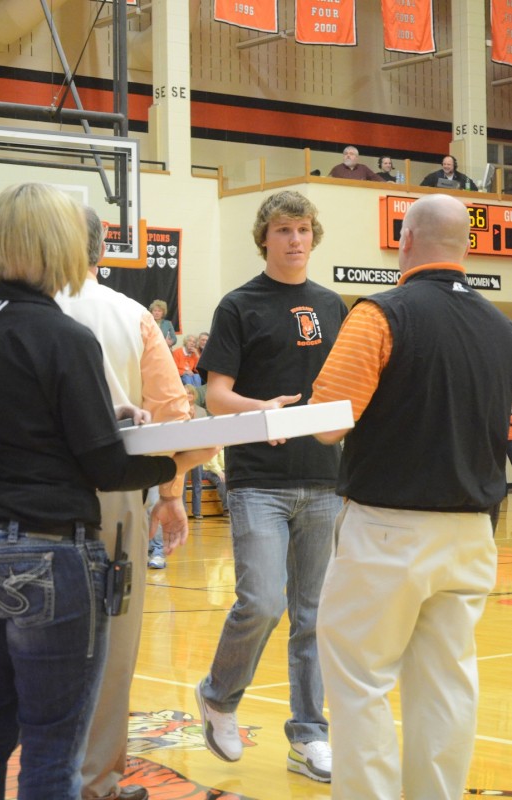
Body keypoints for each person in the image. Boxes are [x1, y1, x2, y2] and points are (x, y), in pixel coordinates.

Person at [0, 183, 216, 800]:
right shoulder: (80, 330)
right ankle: (100, 781)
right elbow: (116, 457)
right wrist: (177, 462)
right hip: (59, 536)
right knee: (60, 731)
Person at [309, 193, 512, 800]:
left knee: (360, 680)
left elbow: (327, 423)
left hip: (388, 529)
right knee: (447, 683)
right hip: (474, 532)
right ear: (469, 247)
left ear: (404, 241)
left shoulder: (380, 313)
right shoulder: (502, 328)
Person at [194, 189, 348, 783]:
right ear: (264, 236)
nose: (294, 240)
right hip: (257, 479)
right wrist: (266, 411)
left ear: (314, 235)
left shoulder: (334, 305)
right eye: (283, 230)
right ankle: (218, 695)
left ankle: (309, 735)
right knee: (262, 601)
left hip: (324, 480)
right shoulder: (239, 305)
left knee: (312, 616)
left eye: (303, 229)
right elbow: (216, 397)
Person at [56, 207, 194, 800]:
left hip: (10, 499)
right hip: (110, 498)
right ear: (101, 251)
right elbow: (172, 418)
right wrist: (169, 494)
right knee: (110, 647)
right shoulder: (131, 314)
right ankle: (95, 783)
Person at [183, 384, 207, 520]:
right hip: (183, 450)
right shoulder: (179, 410)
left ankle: (197, 511)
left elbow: (203, 431)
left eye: (190, 393)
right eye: (185, 393)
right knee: (182, 483)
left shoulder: (202, 411)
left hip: (198, 450)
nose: (188, 396)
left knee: (198, 482)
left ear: (194, 396)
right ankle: (183, 510)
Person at [202, 449, 229, 516]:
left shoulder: (227, 445)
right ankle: (227, 509)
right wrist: (219, 472)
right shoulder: (214, 444)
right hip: (209, 470)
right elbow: (211, 463)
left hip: (223, 470)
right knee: (222, 481)